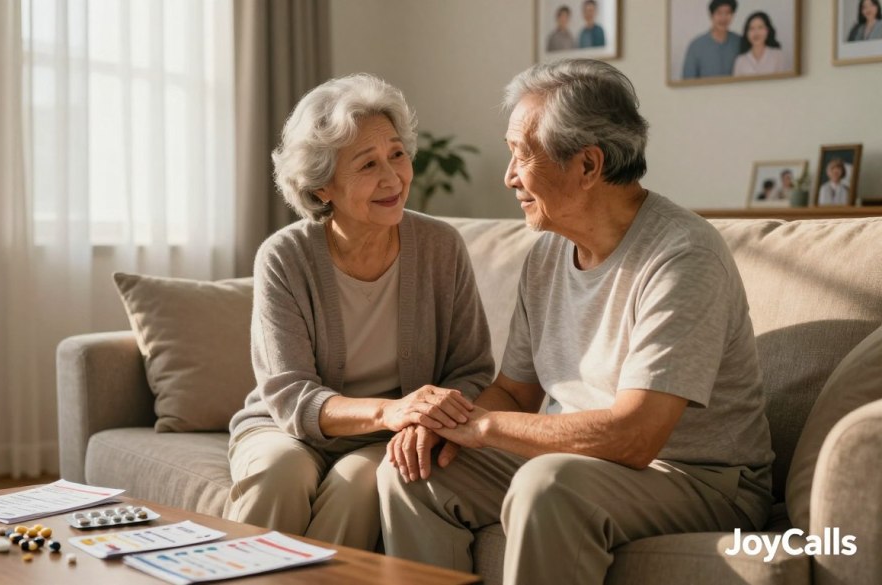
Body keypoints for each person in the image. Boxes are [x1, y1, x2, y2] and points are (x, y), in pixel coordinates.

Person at [378, 59, 774, 585]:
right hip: (573, 462)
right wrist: (444, 425)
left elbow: (636, 436)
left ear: (588, 166)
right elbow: (516, 394)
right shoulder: (546, 256)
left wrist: (484, 426)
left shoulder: (683, 256)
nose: (509, 175)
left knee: (548, 484)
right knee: (412, 472)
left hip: (695, 479)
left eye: (522, 154)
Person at [226, 74, 494, 551]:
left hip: (386, 437)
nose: (392, 178)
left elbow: (470, 369)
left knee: (359, 487)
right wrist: (391, 410)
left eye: (397, 154)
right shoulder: (284, 256)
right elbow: (290, 396)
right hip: (287, 427)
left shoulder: (440, 247)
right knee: (279, 475)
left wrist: (421, 421)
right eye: (367, 164)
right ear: (323, 186)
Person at [683, 0, 742, 79]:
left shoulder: (740, 42)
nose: (723, 18)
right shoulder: (696, 46)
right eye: (719, 13)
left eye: (728, 13)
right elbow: (687, 81)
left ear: (732, 16)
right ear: (711, 16)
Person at [733, 11, 788, 76]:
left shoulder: (778, 56)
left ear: (767, 30)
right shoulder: (740, 60)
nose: (756, 33)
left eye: (760, 27)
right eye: (752, 28)